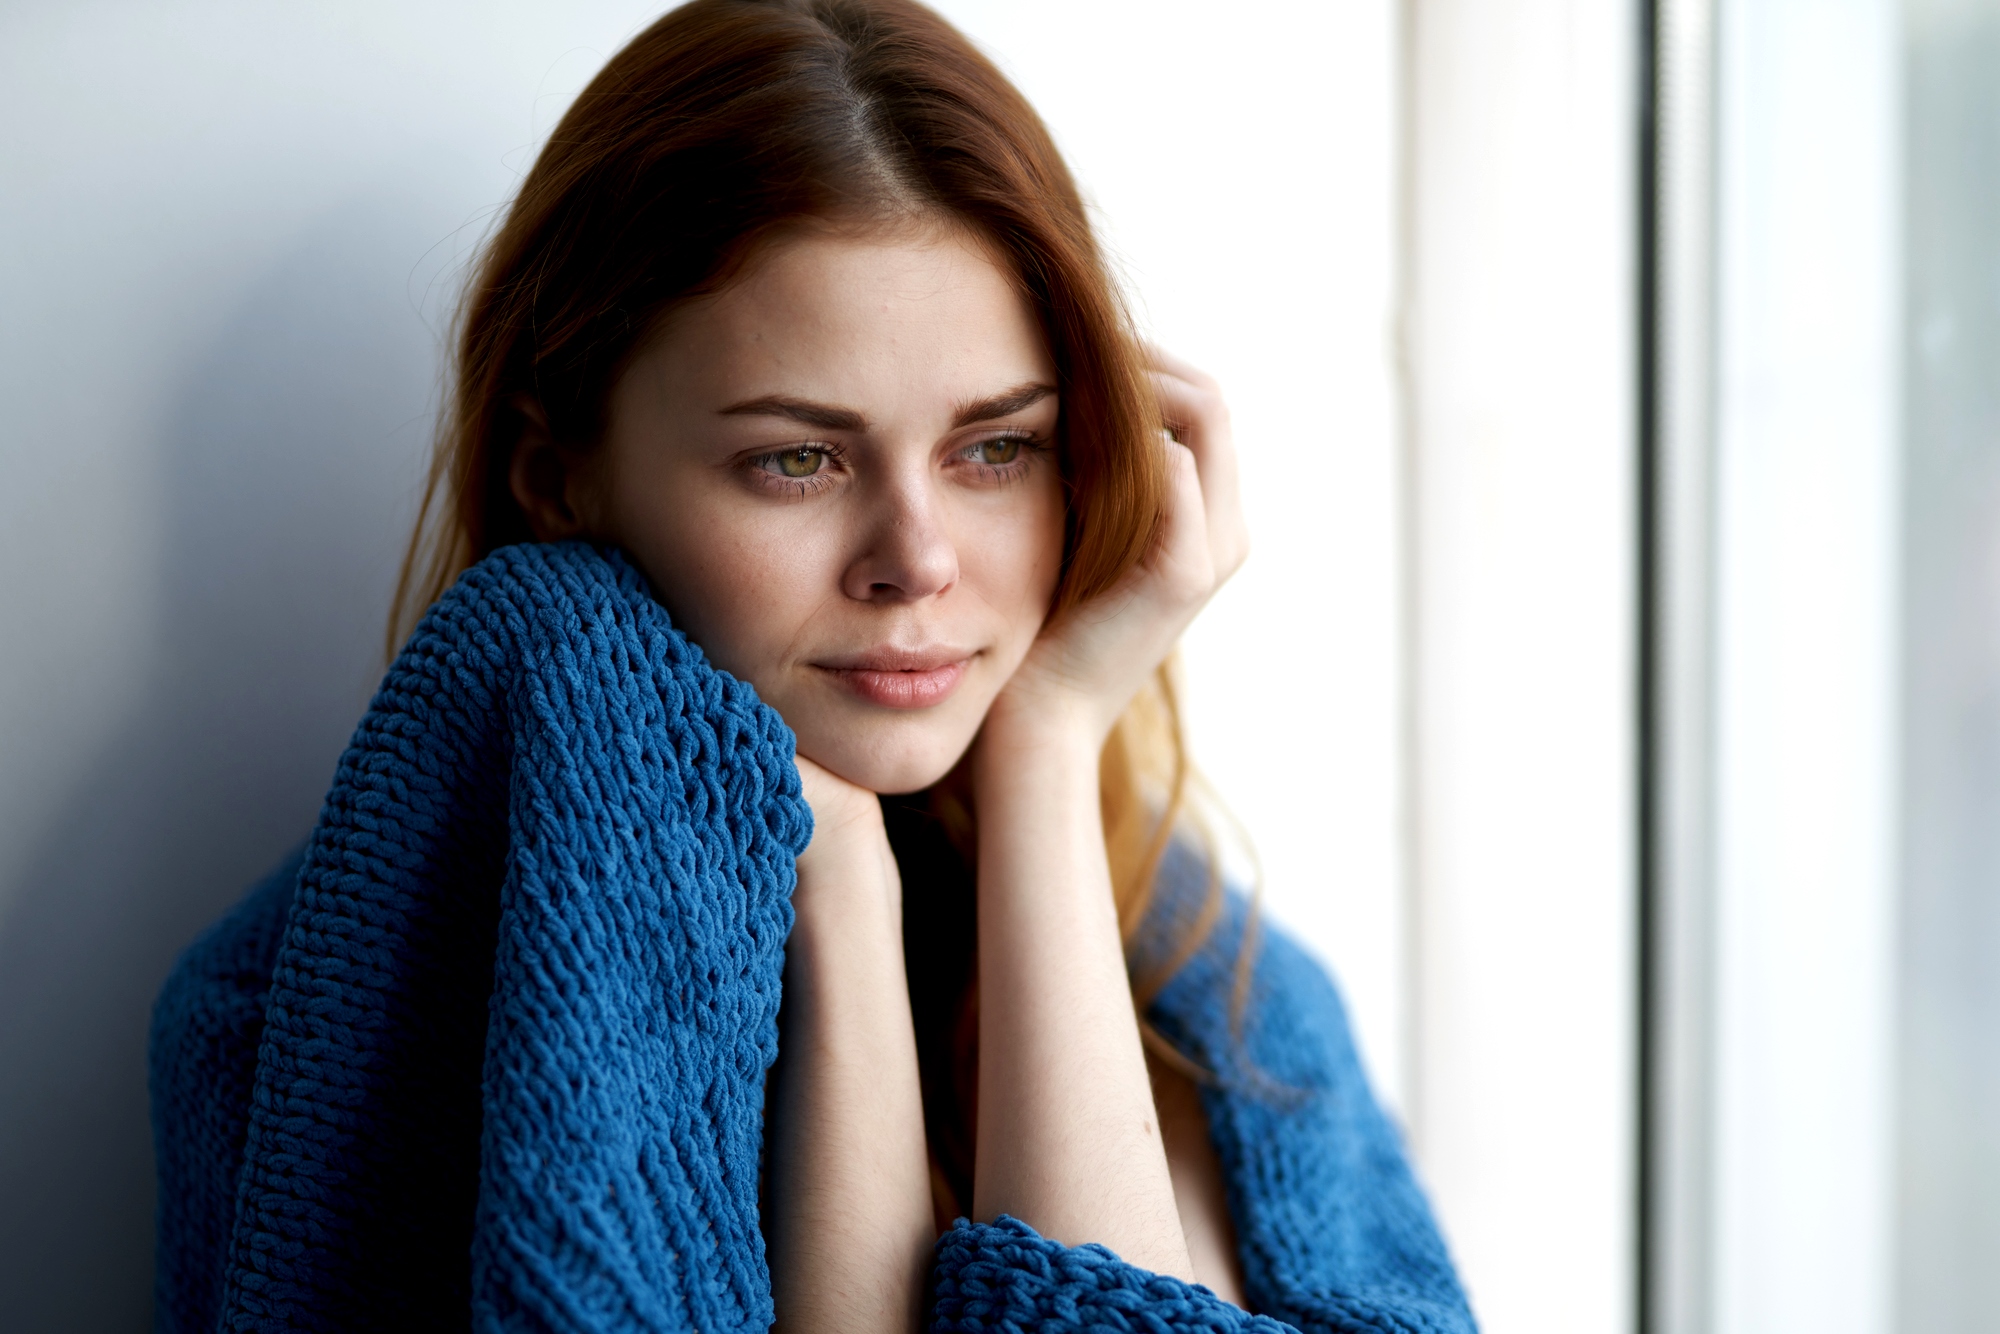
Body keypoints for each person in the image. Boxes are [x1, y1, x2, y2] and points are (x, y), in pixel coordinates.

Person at [150, 2, 1474, 1330]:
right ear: (559, 481)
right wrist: (836, 889)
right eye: (799, 457)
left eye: (994, 447)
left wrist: (1049, 746)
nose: (918, 558)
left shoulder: (1229, 1005)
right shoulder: (298, 1037)